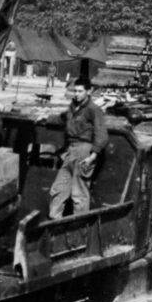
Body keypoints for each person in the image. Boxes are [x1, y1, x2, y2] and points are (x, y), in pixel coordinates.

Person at [39, 77, 108, 218]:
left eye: (80, 91)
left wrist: (92, 157)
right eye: (75, 91)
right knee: (58, 189)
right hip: (70, 151)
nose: (76, 94)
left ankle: (80, 231)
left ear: (89, 91)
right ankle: (54, 223)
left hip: (84, 151)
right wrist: (45, 118)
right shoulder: (73, 108)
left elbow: (101, 134)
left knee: (79, 194)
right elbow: (62, 118)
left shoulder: (93, 110)